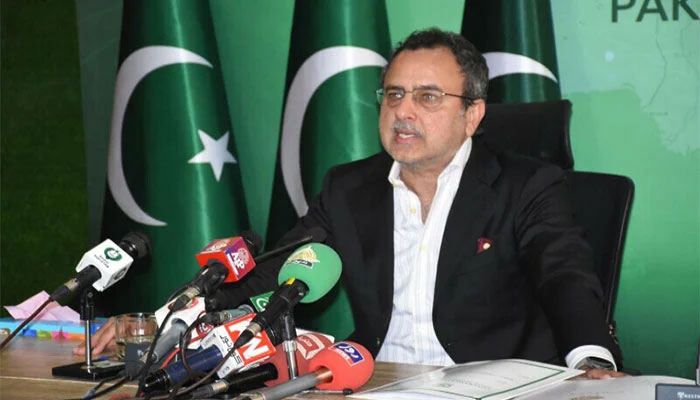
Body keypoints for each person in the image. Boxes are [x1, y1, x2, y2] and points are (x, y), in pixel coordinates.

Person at [76, 28, 624, 379]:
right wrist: (163, 321)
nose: (403, 111)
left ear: (472, 115)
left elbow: (565, 277)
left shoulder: (526, 186)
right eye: (394, 94)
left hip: (496, 388)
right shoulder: (350, 188)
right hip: (375, 382)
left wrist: (591, 361)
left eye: (428, 97)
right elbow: (273, 274)